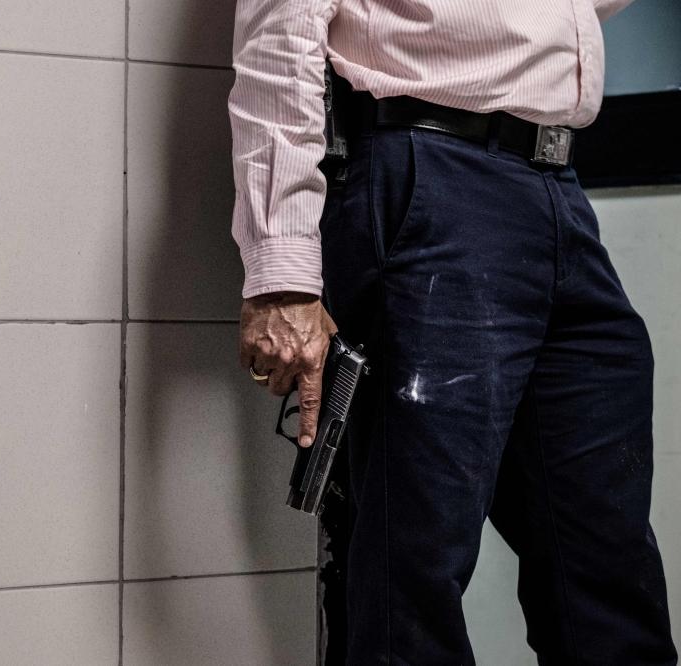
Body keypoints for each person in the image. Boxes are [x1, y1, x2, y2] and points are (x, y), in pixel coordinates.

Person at [230, 0, 678, 663]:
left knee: (608, 573)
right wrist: (282, 273)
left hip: (557, 189)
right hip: (428, 168)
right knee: (414, 579)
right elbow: (281, 28)